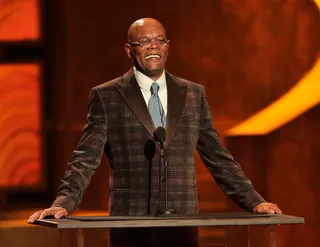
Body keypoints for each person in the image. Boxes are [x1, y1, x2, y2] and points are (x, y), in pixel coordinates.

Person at [28, 18, 282, 246]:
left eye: (160, 40)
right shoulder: (107, 96)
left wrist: (253, 200)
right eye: (144, 41)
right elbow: (85, 158)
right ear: (130, 49)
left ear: (167, 47)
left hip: (181, 222)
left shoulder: (192, 94)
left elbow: (217, 156)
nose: (153, 46)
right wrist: (63, 202)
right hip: (130, 223)